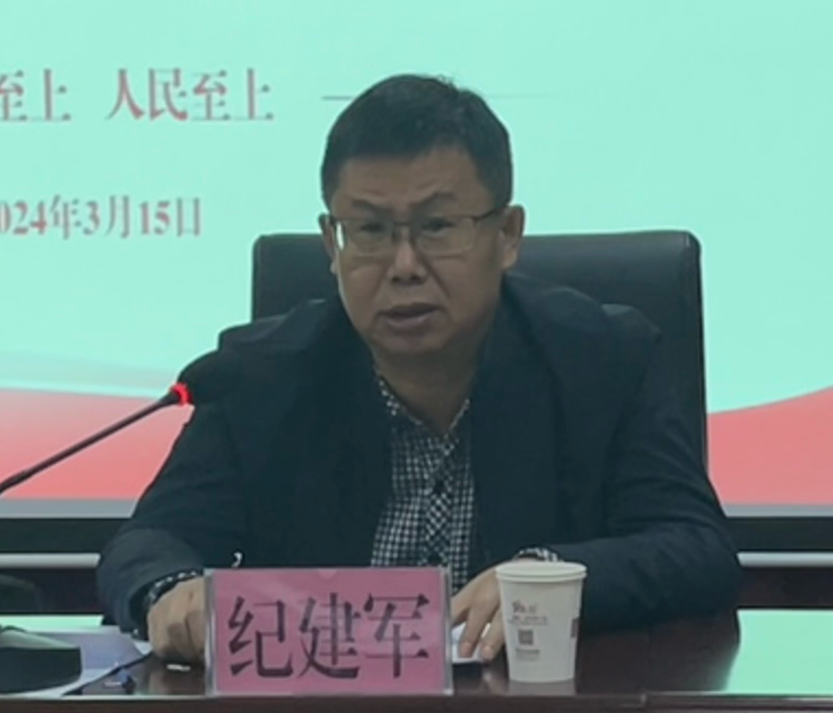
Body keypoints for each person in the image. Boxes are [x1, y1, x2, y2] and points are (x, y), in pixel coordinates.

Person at [96, 73, 741, 665]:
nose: (403, 265)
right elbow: (148, 543)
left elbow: (698, 550)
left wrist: (547, 578)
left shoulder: (604, 360)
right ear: (331, 244)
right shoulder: (260, 376)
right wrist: (172, 590)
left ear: (507, 235)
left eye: (436, 227)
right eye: (370, 231)